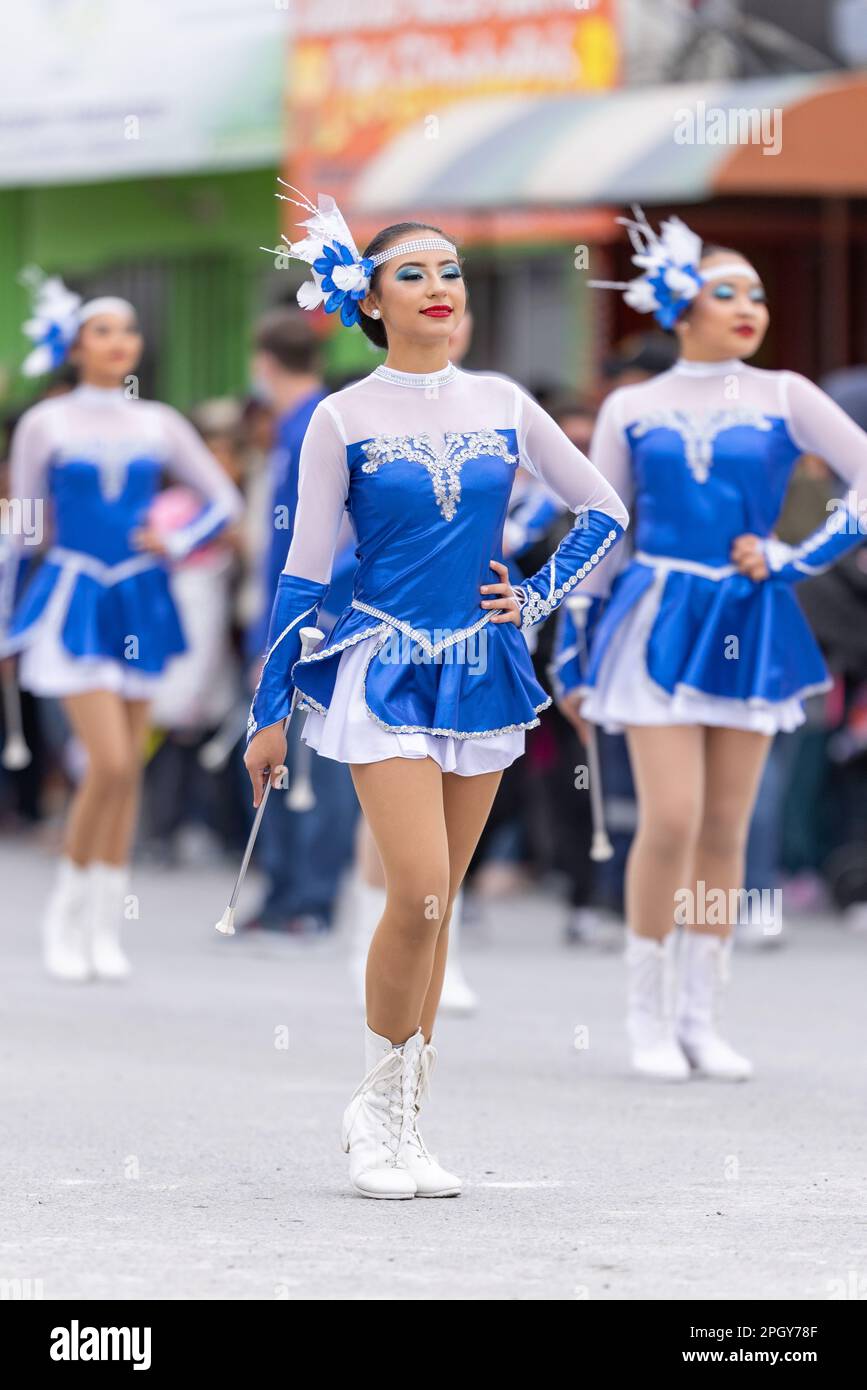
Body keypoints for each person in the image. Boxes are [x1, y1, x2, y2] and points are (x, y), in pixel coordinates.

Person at [244, 186, 629, 1200]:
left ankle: (411, 1121)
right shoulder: (340, 416)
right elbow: (302, 570)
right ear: (368, 302)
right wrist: (269, 712)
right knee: (415, 883)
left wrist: (535, 596)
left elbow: (603, 508)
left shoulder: (504, 401)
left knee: (441, 899)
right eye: (412, 273)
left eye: (450, 271)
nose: (438, 287)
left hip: (483, 667)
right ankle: (372, 1112)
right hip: (381, 667)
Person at [552, 209, 867, 1082]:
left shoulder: (785, 394)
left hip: (749, 613)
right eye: (725, 291)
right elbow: (602, 527)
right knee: (673, 819)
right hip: (653, 618)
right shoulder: (632, 404)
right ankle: (644, 1014)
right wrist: (570, 646)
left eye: (756, 293)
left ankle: (700, 1015)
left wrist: (794, 556)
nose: (747, 306)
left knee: (727, 826)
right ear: (677, 305)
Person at [0, 270, 243, 981]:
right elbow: (24, 524)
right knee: (106, 762)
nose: (119, 343)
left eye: (129, 331)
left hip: (142, 596)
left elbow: (222, 500)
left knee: (127, 769)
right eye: (103, 331)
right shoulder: (48, 422)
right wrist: (9, 616)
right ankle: (64, 915)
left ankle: (105, 926)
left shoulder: (158, 422)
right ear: (74, 344)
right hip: (75, 597)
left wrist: (174, 540)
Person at [242, 308, 358, 931]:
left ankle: (306, 897)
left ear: (263, 363)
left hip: (308, 620)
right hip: (304, 613)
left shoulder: (311, 426)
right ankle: (290, 893)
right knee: (289, 759)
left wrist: (284, 631)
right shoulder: (304, 421)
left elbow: (322, 541)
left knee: (310, 763)